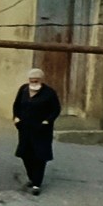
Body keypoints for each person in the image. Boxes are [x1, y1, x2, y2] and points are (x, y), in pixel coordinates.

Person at [10, 67, 63, 195]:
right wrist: (16, 118)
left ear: (41, 80)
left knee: (39, 156)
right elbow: (16, 105)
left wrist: (47, 121)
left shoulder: (49, 93)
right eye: (31, 80)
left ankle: (37, 184)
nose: (33, 82)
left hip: (41, 130)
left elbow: (56, 109)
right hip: (25, 128)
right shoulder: (23, 90)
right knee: (25, 154)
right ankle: (32, 177)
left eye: (36, 80)